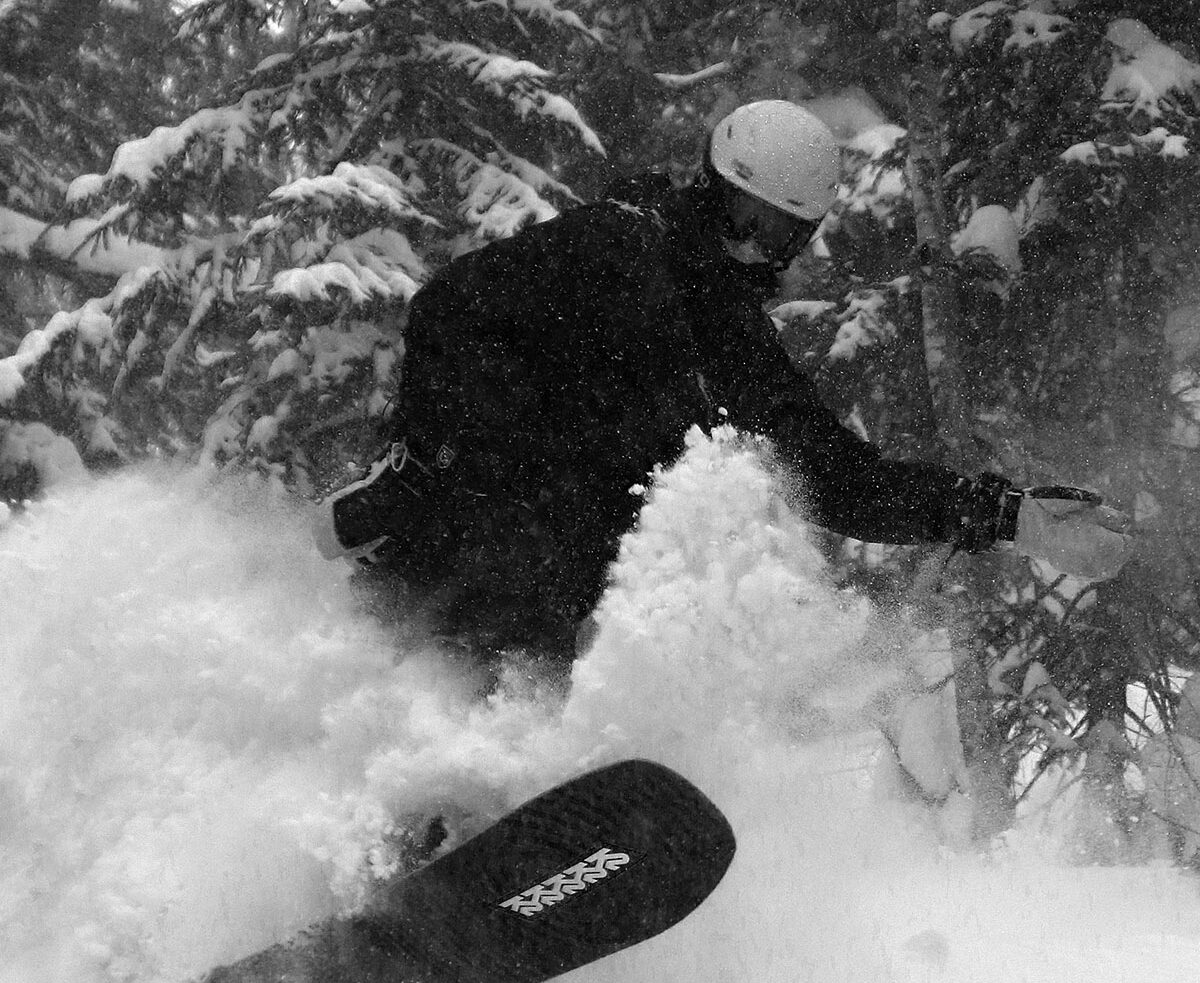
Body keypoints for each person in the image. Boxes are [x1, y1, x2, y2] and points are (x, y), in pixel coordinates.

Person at [314, 100, 1132, 663]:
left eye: (779, 233)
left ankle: (480, 847)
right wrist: (440, 463)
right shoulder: (618, 244)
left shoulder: (732, 337)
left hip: (546, 575)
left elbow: (836, 480)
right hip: (460, 530)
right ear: (711, 187)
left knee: (600, 593)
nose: (755, 246)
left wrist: (1004, 514)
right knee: (506, 608)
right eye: (746, 218)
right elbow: (448, 309)